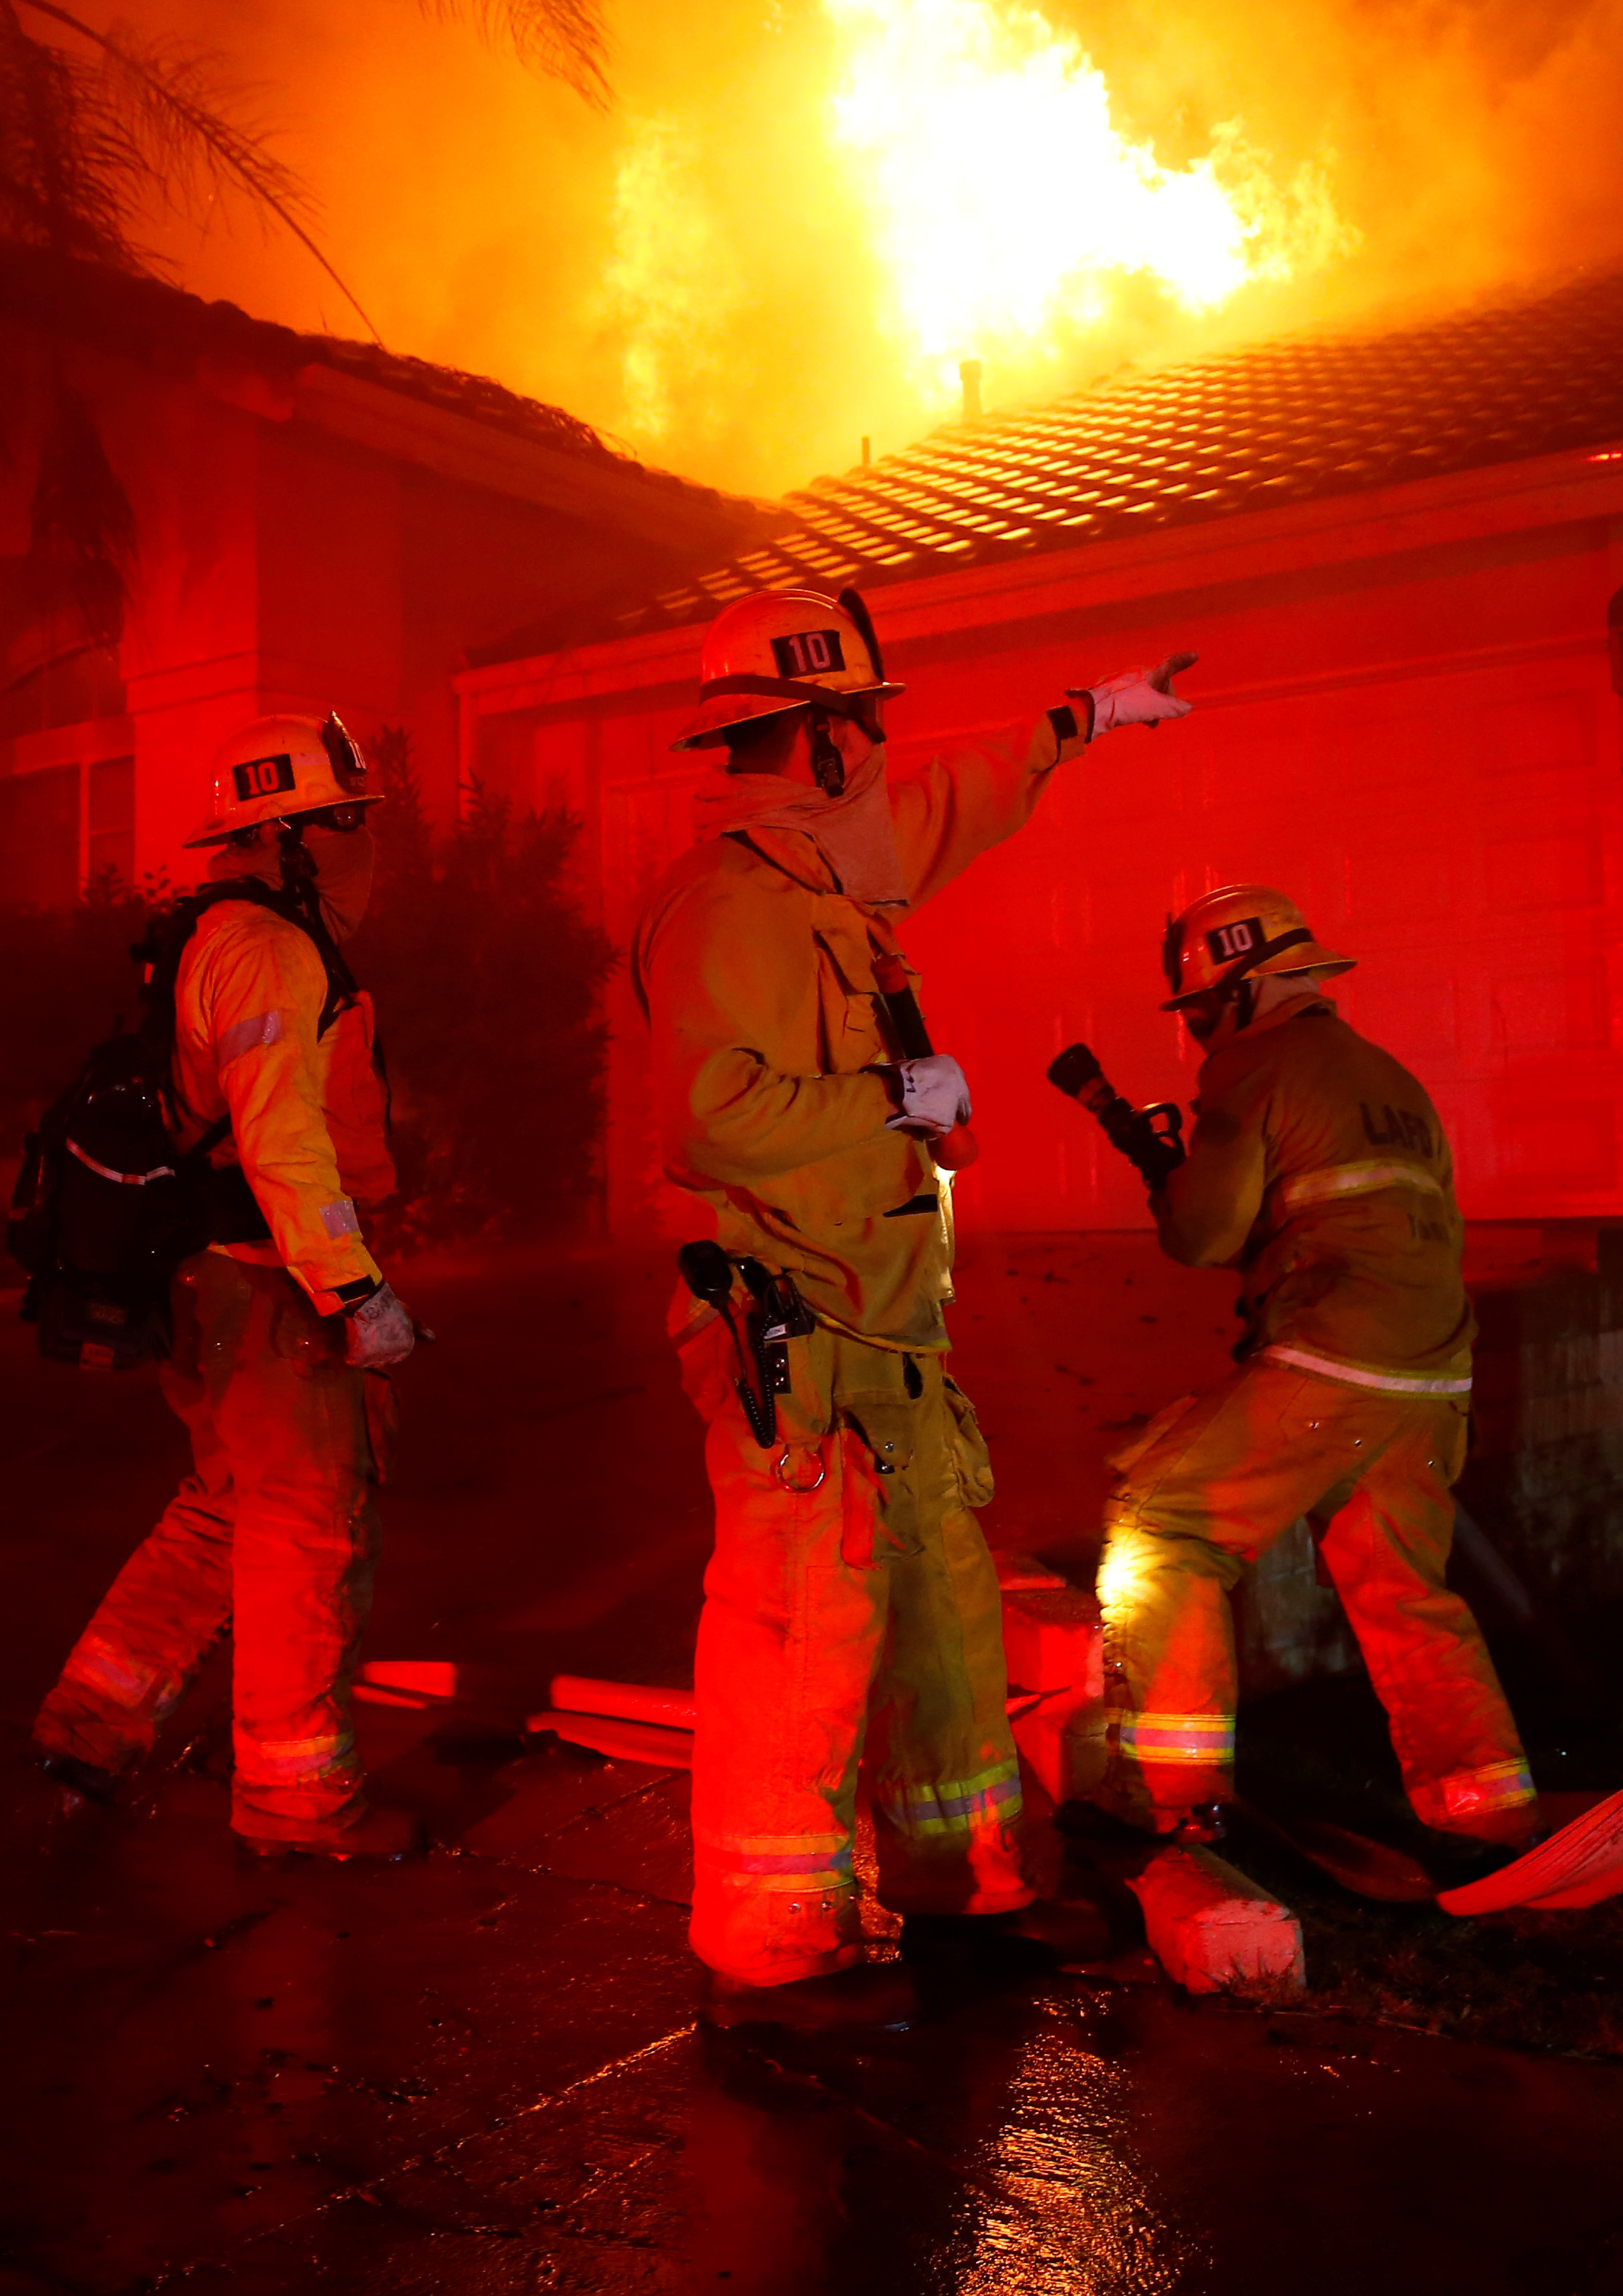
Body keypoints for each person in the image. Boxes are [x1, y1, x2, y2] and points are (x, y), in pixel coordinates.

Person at [632, 584, 1197, 2029]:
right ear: (814, 740)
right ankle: (769, 1949)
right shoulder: (731, 907)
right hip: (801, 1337)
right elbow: (710, 1117)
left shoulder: (828, 881)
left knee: (944, 1614)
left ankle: (970, 1884)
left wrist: (1079, 720)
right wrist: (890, 1094)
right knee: (795, 1631)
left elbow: (952, 805)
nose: (883, 750)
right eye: (863, 726)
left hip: (887, 1336)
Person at [32, 712, 425, 1861]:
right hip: (269, 1284)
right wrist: (355, 1294)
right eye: (348, 822)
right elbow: (282, 1140)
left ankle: (91, 1725)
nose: (365, 844)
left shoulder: (227, 935)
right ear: (292, 836)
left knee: (225, 1512)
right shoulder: (269, 947)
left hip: (219, 1279)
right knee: (309, 1533)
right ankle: (298, 1802)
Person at [1091, 883, 1543, 1861]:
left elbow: (1206, 1234)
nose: (1201, 1034)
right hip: (1432, 1371)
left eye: (1203, 1011)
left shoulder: (1256, 1065)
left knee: (1163, 1520)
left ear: (1248, 993)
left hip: (1331, 1355)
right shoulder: (1390, 1079)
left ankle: (1177, 1800)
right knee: (1403, 1589)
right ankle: (1489, 1810)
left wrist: (1171, 1180)